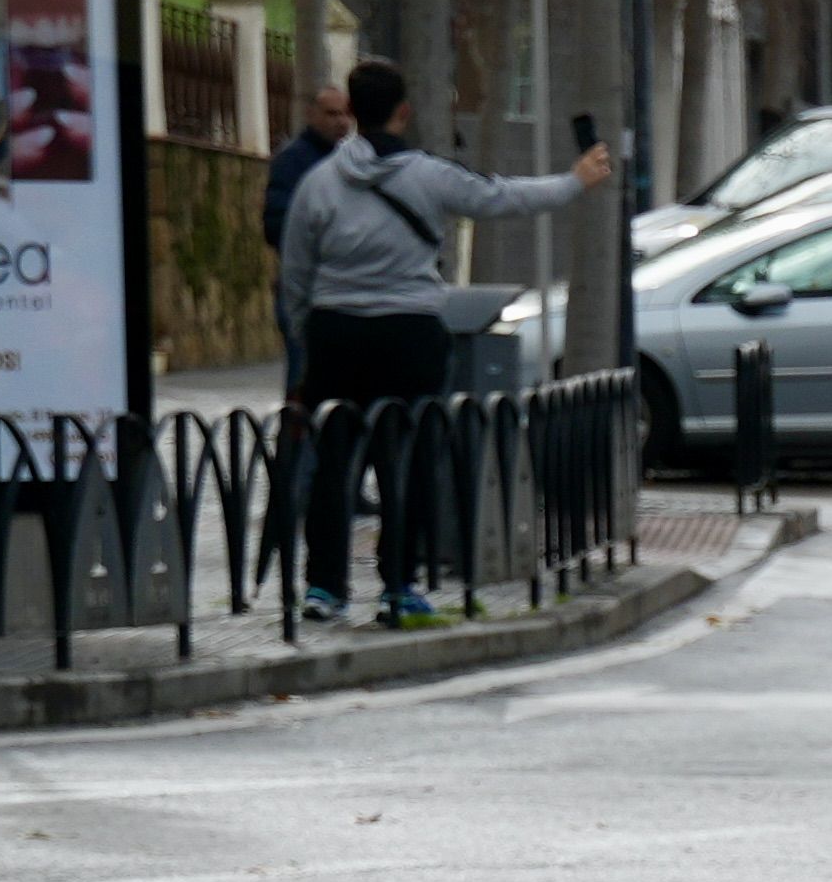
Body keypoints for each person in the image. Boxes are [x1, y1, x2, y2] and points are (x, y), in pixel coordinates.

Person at [281, 58, 607, 627]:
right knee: (405, 458)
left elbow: (295, 273)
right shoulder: (431, 176)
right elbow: (502, 198)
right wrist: (575, 180)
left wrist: (307, 337)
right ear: (404, 111)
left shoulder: (318, 183)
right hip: (410, 334)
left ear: (351, 112)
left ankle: (325, 588)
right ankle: (399, 586)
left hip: (337, 335)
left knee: (334, 463)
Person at [259, 85, 353, 401]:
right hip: (305, 288)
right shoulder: (294, 161)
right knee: (303, 378)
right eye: (332, 114)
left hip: (335, 290)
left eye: (345, 114)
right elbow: (276, 225)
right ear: (312, 115)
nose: (341, 122)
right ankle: (296, 448)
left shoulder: (349, 160)